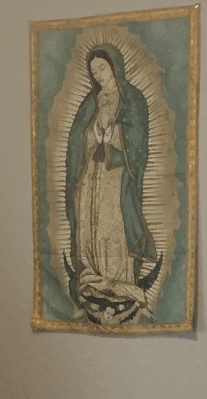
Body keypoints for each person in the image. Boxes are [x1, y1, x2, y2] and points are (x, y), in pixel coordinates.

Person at [64, 44, 160, 326]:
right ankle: (93, 276)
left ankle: (119, 279)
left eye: (102, 68)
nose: (98, 75)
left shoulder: (133, 99)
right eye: (93, 71)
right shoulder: (88, 103)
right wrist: (93, 134)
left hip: (118, 175)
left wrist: (115, 135)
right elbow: (76, 141)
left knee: (112, 221)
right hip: (91, 174)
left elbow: (138, 140)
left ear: (115, 67)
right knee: (89, 219)